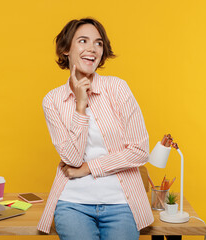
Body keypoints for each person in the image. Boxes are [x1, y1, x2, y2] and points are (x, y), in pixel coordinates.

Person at [37, 17, 154, 240]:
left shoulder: (117, 88)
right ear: (66, 50)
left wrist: (89, 167)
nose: (92, 49)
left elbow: (140, 150)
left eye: (98, 43)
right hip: (73, 205)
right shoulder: (52, 101)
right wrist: (80, 106)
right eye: (83, 41)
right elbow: (71, 158)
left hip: (121, 202)